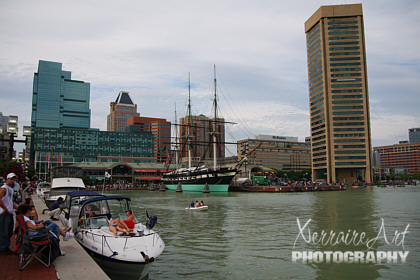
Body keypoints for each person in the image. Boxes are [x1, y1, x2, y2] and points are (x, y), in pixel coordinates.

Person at [0, 173, 19, 254]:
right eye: (11, 179)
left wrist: (18, 208)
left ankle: (6, 246)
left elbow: (10, 202)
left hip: (10, 213)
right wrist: (5, 208)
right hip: (4, 213)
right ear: (7, 179)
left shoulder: (10, 189)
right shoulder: (4, 189)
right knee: (4, 231)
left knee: (9, 231)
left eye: (14, 179)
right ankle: (3, 248)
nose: (12, 181)